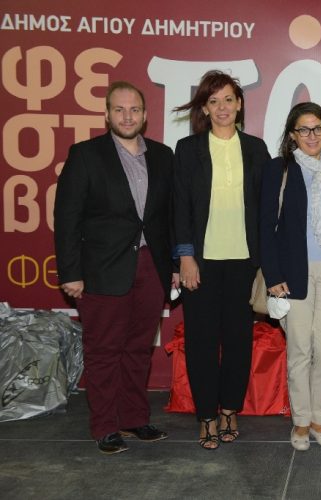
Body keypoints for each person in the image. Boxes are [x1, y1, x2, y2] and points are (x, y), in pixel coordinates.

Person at [54, 81, 175, 454]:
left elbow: (168, 217)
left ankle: (134, 418)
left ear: (145, 115)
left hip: (150, 267)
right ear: (107, 114)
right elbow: (67, 218)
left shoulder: (163, 155)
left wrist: (172, 264)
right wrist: (70, 272)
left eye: (134, 109)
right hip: (102, 268)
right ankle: (105, 426)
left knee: (138, 349)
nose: (127, 116)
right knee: (104, 350)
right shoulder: (86, 155)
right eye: (119, 110)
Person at [173, 70, 271, 449]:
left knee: (238, 342)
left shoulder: (256, 149)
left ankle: (230, 409)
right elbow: (180, 207)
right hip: (202, 263)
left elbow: (267, 208)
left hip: (244, 262)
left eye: (228, 99)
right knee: (201, 342)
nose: (222, 107)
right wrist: (185, 257)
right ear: (204, 108)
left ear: (239, 104)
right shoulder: (188, 149)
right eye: (213, 101)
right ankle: (207, 416)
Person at [260, 102, 321, 451]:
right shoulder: (279, 169)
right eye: (304, 129)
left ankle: (319, 417)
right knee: (300, 348)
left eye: (318, 128)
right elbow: (265, 227)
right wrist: (273, 275)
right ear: (292, 135)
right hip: (293, 273)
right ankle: (301, 421)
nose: (312, 135)